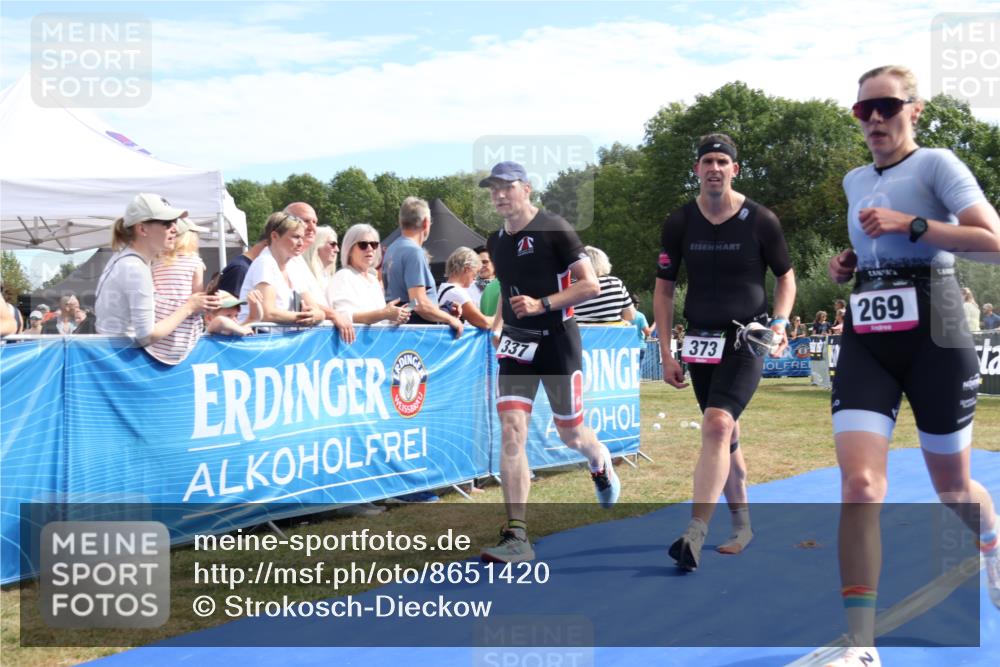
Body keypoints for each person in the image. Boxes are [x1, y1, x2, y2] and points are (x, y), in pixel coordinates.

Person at [822, 65, 1000, 667]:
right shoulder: (854, 180)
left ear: (914, 110)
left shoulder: (938, 164)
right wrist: (849, 263)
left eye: (888, 106)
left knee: (951, 487)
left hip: (937, 329)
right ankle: (861, 644)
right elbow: (877, 246)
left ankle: (992, 539)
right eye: (863, 109)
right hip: (868, 334)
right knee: (859, 485)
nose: (875, 118)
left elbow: (993, 241)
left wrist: (914, 226)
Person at [653, 133, 795, 571]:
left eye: (722, 161)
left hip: (745, 339)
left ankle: (695, 531)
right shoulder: (679, 222)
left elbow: (786, 277)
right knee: (725, 435)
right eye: (707, 161)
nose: (714, 168)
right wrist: (667, 352)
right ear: (696, 169)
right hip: (700, 342)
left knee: (716, 424)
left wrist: (779, 323)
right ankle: (742, 525)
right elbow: (663, 290)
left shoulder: (761, 219)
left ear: (735, 169)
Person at [478, 160, 621, 563]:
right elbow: (507, 287)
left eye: (507, 187)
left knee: (570, 434)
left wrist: (542, 304)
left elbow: (590, 284)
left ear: (526, 188)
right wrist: (498, 324)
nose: (499, 195)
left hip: (558, 341)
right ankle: (517, 535)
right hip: (517, 344)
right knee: (512, 429)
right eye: (493, 189)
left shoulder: (554, 227)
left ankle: (598, 458)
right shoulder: (496, 240)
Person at [95, 193, 219, 349]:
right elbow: (146, 336)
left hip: (113, 353)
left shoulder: (125, 259)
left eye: (175, 222)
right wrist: (189, 307)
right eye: (167, 223)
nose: (175, 229)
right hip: (121, 355)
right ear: (142, 229)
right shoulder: (135, 267)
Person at [382, 196, 463, 335]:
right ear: (426, 222)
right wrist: (450, 319)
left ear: (400, 222)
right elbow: (418, 304)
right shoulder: (414, 252)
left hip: (399, 330)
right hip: (416, 335)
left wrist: (442, 310)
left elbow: (409, 304)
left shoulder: (391, 249)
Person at [283, 202, 356, 343]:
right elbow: (304, 301)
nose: (312, 227)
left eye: (315, 222)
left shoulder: (298, 260)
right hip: (290, 340)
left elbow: (311, 302)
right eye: (305, 221)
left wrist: (329, 314)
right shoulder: (283, 259)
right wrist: (334, 315)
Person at [238, 211, 324, 326]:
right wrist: (306, 317)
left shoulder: (293, 267)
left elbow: (316, 309)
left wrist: (317, 315)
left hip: (277, 335)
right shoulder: (265, 263)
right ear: (274, 236)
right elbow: (267, 313)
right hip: (259, 335)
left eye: (302, 237)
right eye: (296, 237)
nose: (301, 243)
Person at [148, 219, 208, 364]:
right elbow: (197, 298)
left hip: (160, 320)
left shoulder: (156, 262)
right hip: (184, 323)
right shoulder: (195, 262)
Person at [328, 223, 409, 325]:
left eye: (374, 244)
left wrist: (394, 318)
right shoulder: (343, 276)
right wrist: (384, 314)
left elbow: (380, 321)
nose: (370, 248)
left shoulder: (373, 280)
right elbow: (344, 316)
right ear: (350, 250)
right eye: (363, 245)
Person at [573, 246, 636, 323]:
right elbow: (630, 315)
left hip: (581, 330)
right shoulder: (616, 283)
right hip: (611, 330)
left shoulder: (571, 286)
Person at [438, 247, 492, 329]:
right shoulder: (456, 292)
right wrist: (500, 318)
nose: (475, 277)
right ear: (467, 269)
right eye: (476, 272)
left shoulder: (445, 288)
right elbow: (484, 323)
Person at [302, 225, 339, 292]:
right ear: (317, 245)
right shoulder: (303, 276)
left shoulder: (330, 279)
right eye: (332, 244)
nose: (337, 250)